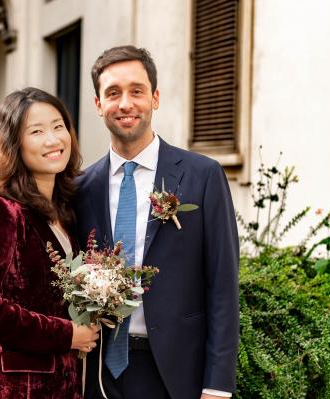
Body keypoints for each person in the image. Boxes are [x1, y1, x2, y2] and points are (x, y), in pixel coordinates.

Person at [74, 46, 239, 399]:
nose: (125, 104)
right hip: (98, 373)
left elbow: (222, 284)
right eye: (113, 93)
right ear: (98, 104)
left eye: (137, 91)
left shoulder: (203, 176)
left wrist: (218, 386)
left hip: (177, 373)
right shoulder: (80, 188)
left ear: (156, 98)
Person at [0, 87, 100, 398]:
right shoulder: (2, 212)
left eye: (58, 126)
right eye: (36, 131)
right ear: (14, 144)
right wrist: (67, 334)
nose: (53, 140)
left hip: (60, 385)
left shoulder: (64, 214)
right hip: (11, 387)